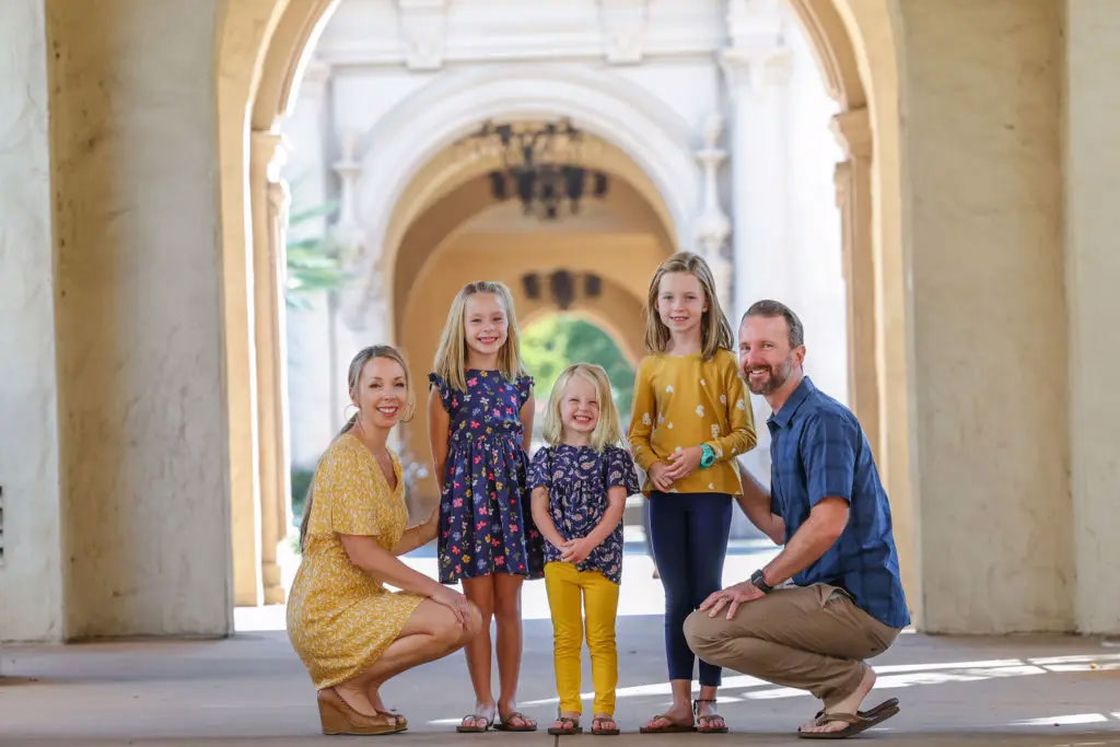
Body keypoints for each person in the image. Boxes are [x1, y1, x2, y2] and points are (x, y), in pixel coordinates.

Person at [684, 299, 910, 740]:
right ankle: (842, 688)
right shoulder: (788, 423)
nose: (752, 358)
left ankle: (844, 683)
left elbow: (828, 523)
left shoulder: (823, 421)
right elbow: (780, 528)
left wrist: (758, 583)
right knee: (707, 624)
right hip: (827, 594)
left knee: (705, 630)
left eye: (767, 345)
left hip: (857, 604)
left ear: (798, 355)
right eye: (746, 347)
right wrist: (723, 457)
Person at [288, 345, 483, 737]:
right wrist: (438, 592)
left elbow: (382, 547)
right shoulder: (348, 458)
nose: (388, 395)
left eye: (397, 384)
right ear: (354, 394)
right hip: (328, 612)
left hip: (360, 602)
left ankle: (362, 686)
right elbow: (362, 553)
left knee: (467, 619)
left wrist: (430, 527)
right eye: (375, 385)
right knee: (453, 618)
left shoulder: (387, 459)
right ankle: (348, 687)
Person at [627, 252, 757, 735]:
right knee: (676, 595)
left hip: (711, 493)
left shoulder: (725, 364)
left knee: (707, 592)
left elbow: (745, 434)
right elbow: (636, 435)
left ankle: (709, 700)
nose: (677, 306)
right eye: (668, 297)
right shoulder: (651, 368)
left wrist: (702, 454)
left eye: (688, 297)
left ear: (705, 303)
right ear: (656, 305)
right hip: (664, 498)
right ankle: (679, 701)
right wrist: (655, 467)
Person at [428, 281, 544, 733]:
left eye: (496, 318)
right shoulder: (447, 388)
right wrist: (461, 508)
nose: (487, 328)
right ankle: (482, 701)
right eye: (476, 320)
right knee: (478, 609)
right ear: (461, 326)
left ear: (509, 323)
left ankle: (510, 701)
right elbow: (440, 460)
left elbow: (523, 452)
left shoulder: (521, 386)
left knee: (509, 605)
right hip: (468, 510)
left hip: (511, 509)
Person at [528, 364, 639, 737]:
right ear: (558, 405)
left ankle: (604, 709)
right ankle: (569, 707)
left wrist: (589, 543)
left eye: (593, 401)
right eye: (573, 399)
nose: (583, 408)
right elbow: (538, 508)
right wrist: (561, 545)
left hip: (603, 562)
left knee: (602, 637)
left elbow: (616, 507)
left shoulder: (614, 456)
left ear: (605, 407)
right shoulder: (544, 458)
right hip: (559, 561)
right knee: (566, 637)